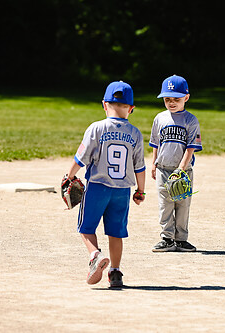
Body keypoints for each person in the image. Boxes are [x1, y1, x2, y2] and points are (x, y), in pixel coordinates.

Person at [66, 81, 146, 288]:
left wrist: (69, 176)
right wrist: (141, 190)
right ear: (131, 108)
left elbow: (80, 158)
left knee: (86, 228)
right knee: (116, 233)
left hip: (97, 187)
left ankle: (95, 255)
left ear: (104, 105)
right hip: (122, 192)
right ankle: (116, 272)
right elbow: (139, 167)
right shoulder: (135, 133)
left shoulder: (97, 128)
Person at [149, 75, 202, 252]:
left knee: (182, 205)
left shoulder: (191, 120)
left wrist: (181, 169)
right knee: (165, 205)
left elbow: (191, 147)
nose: (172, 103)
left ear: (186, 97)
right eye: (167, 99)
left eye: (176, 99)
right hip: (163, 169)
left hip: (183, 171)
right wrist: (154, 163)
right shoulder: (159, 118)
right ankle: (167, 238)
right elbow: (156, 143)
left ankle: (181, 239)